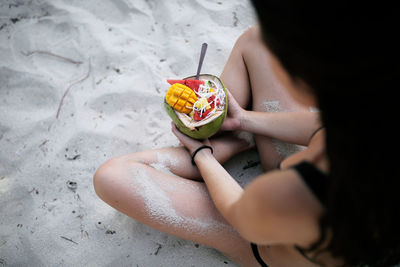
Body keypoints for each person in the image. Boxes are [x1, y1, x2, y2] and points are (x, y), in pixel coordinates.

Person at [93, 1, 399, 266]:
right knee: (259, 41)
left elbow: (242, 215)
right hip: (317, 200)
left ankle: (214, 149)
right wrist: (245, 121)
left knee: (112, 176)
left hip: (265, 245)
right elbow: (322, 128)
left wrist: (203, 156)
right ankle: (235, 139)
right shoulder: (374, 121)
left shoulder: (304, 195)